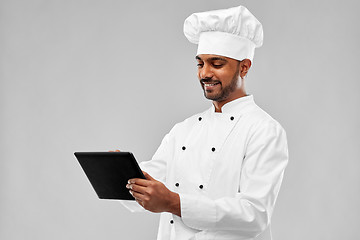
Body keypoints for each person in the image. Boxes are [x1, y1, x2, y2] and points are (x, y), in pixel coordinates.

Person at [120, 5, 288, 240]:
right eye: (200, 64)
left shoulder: (264, 130)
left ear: (244, 67)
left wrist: (172, 202)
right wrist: (121, 176)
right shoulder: (183, 130)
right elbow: (152, 180)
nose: (204, 74)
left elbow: (254, 214)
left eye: (216, 64)